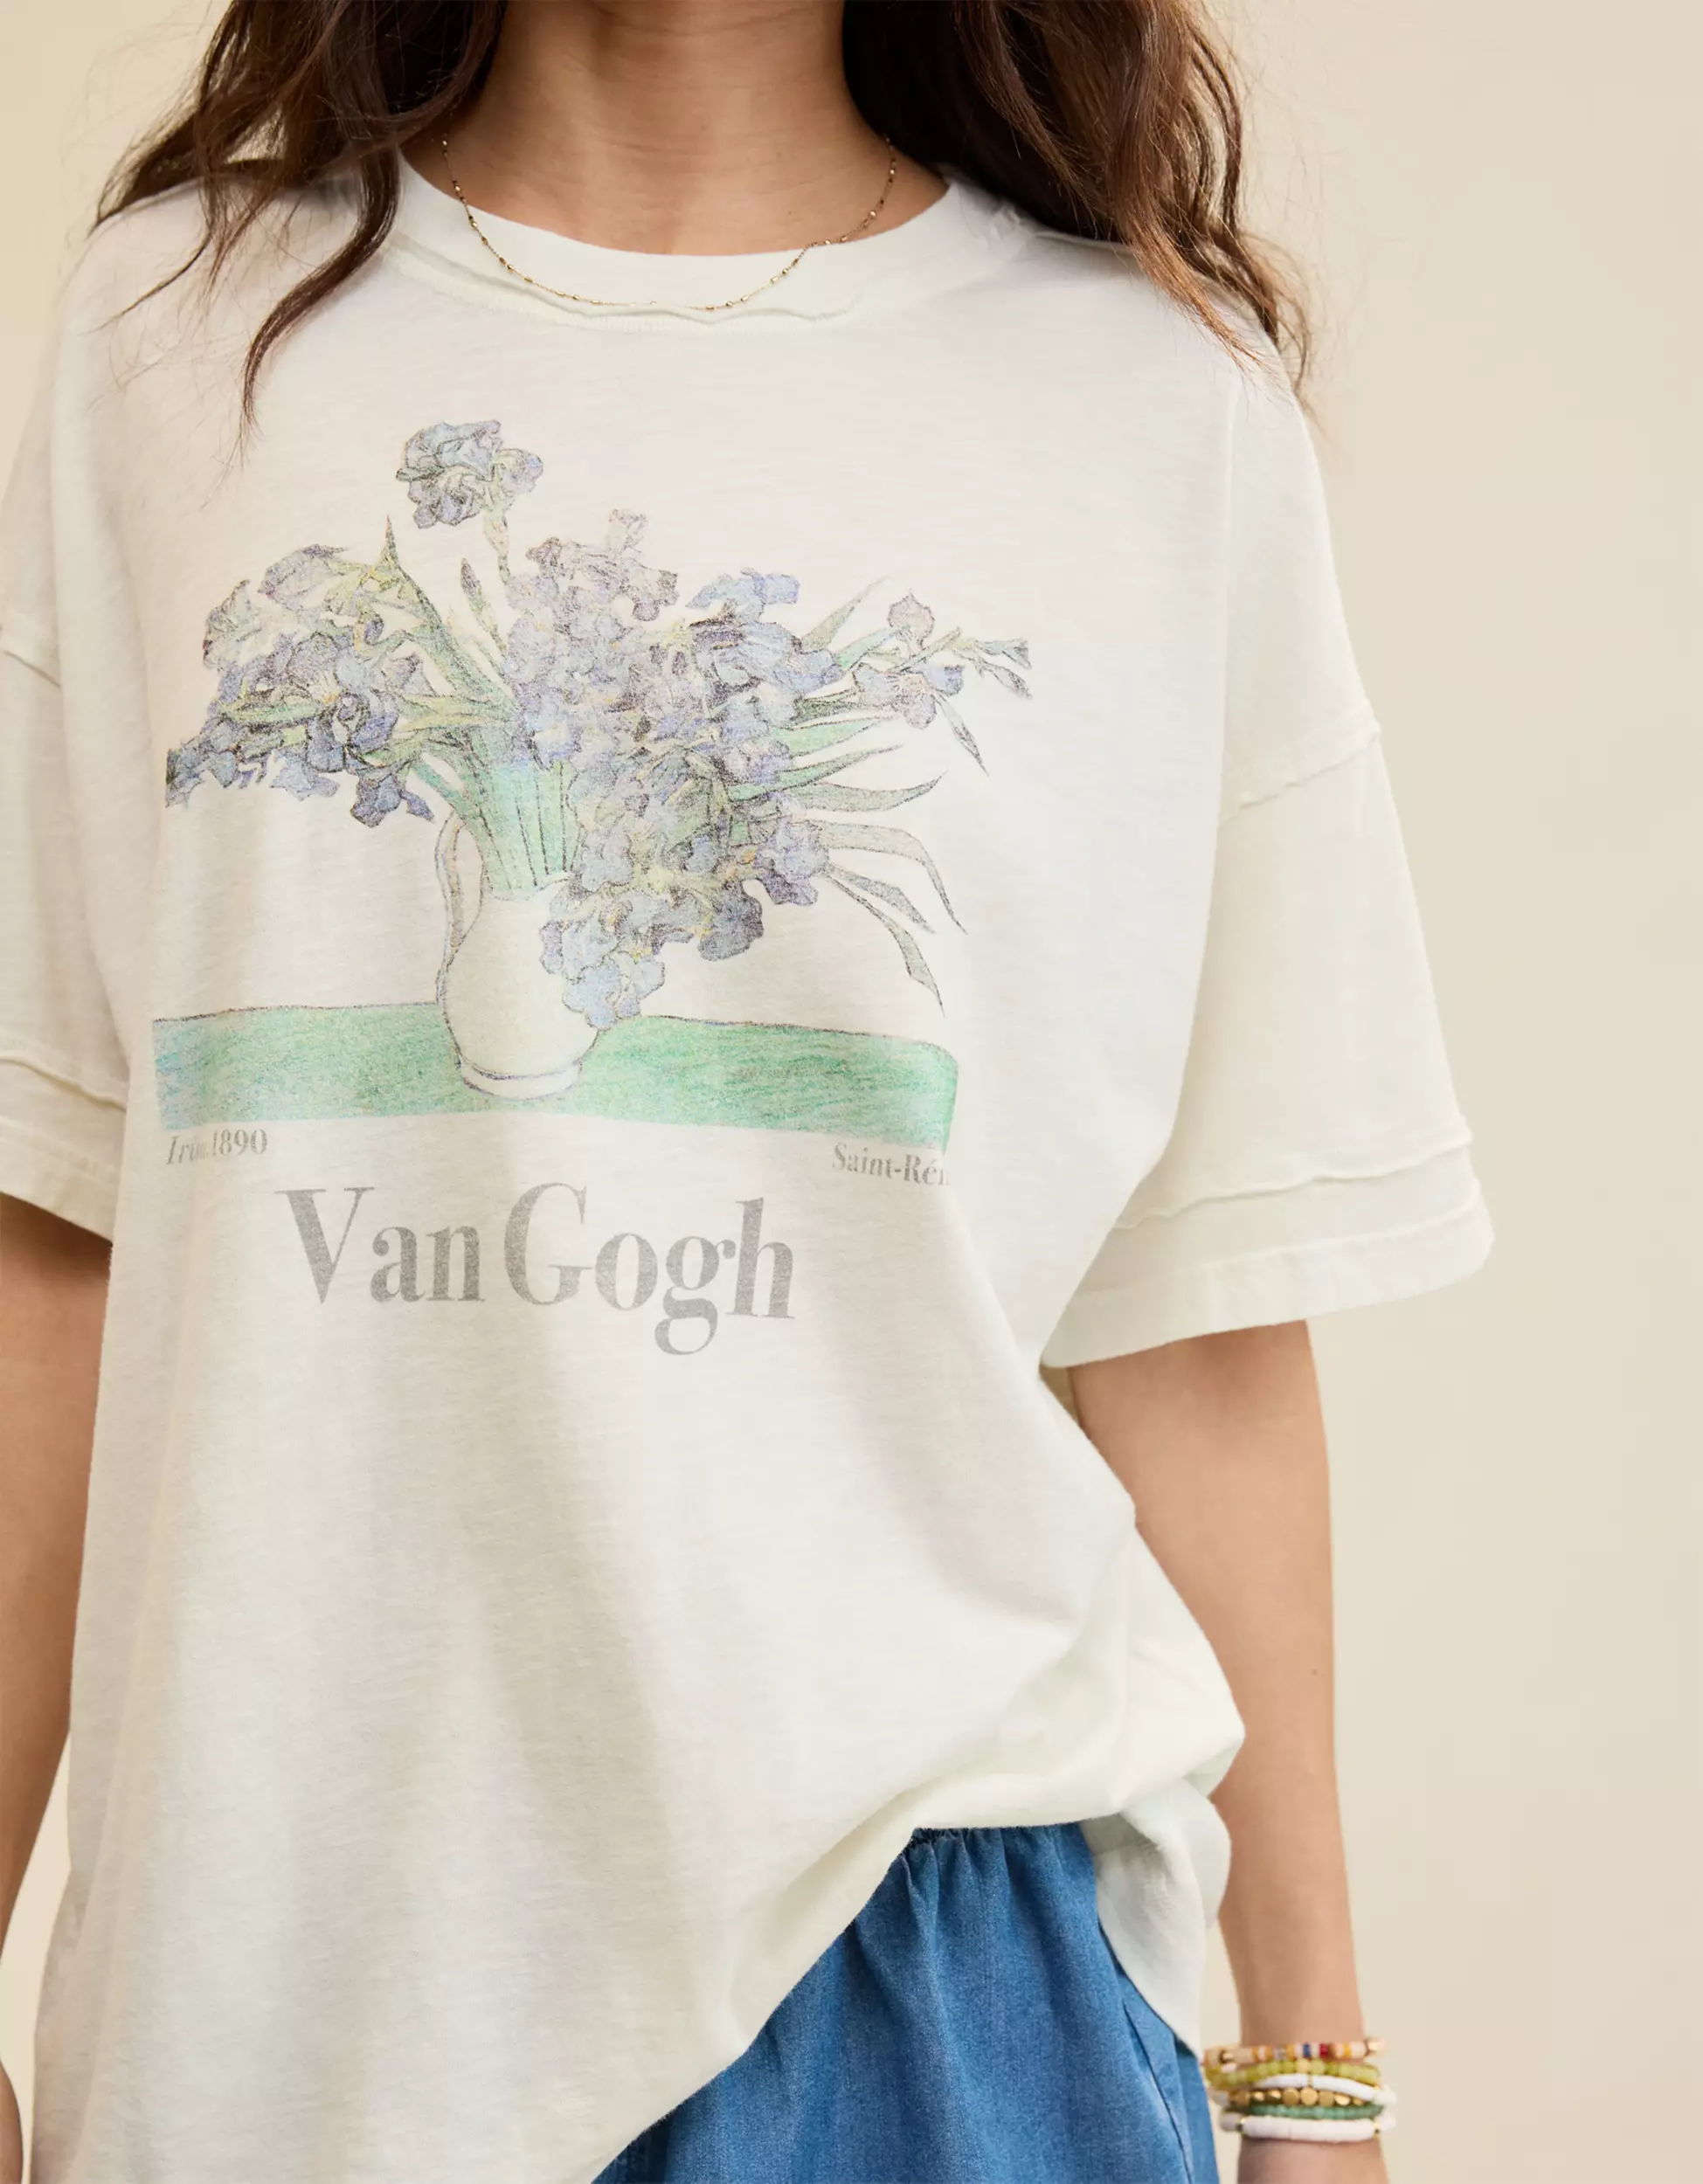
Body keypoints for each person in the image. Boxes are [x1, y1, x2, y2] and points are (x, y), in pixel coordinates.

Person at [0, 3, 1492, 2180]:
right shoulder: (181, 335)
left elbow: (1194, 1310)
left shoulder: (1157, 406)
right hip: (282, 1980)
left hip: (934, 1969)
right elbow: (55, 1219)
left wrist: (1312, 2073)